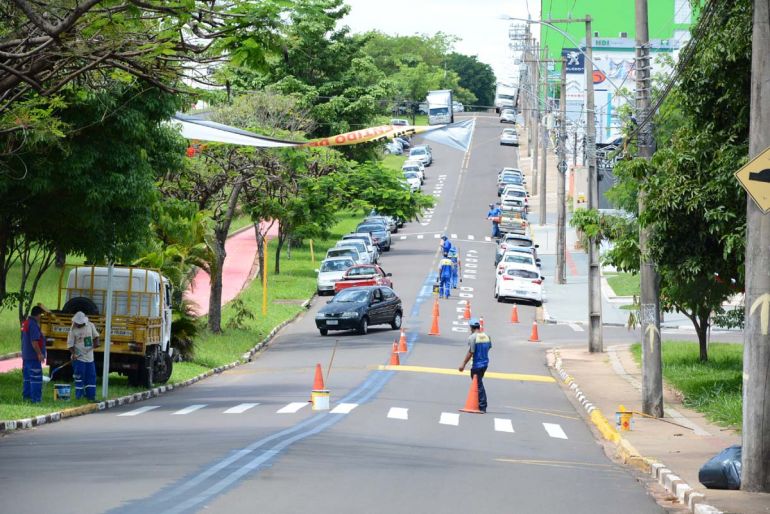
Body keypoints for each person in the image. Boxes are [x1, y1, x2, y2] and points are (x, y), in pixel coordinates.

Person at [458, 318, 492, 413]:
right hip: (485, 363)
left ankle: (482, 406)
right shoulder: (486, 336)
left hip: (477, 364)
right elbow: (489, 347)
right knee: (478, 383)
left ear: (471, 327)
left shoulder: (472, 337)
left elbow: (471, 352)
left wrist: (463, 364)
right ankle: (479, 403)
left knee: (478, 384)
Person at [67, 311, 100, 401]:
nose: (77, 324)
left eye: (79, 323)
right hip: (79, 358)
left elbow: (96, 337)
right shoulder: (73, 329)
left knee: (91, 377)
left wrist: (96, 343)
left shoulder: (90, 325)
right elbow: (70, 345)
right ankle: (79, 397)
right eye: (76, 323)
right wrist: (74, 354)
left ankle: (91, 396)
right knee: (79, 377)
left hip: (90, 358)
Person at [21, 305, 46, 402]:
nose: (41, 317)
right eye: (41, 315)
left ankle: (26, 397)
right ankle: (36, 399)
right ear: (38, 315)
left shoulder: (26, 323)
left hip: (26, 356)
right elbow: (34, 342)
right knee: (36, 379)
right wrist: (40, 354)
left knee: (27, 379)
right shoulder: (33, 325)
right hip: (33, 357)